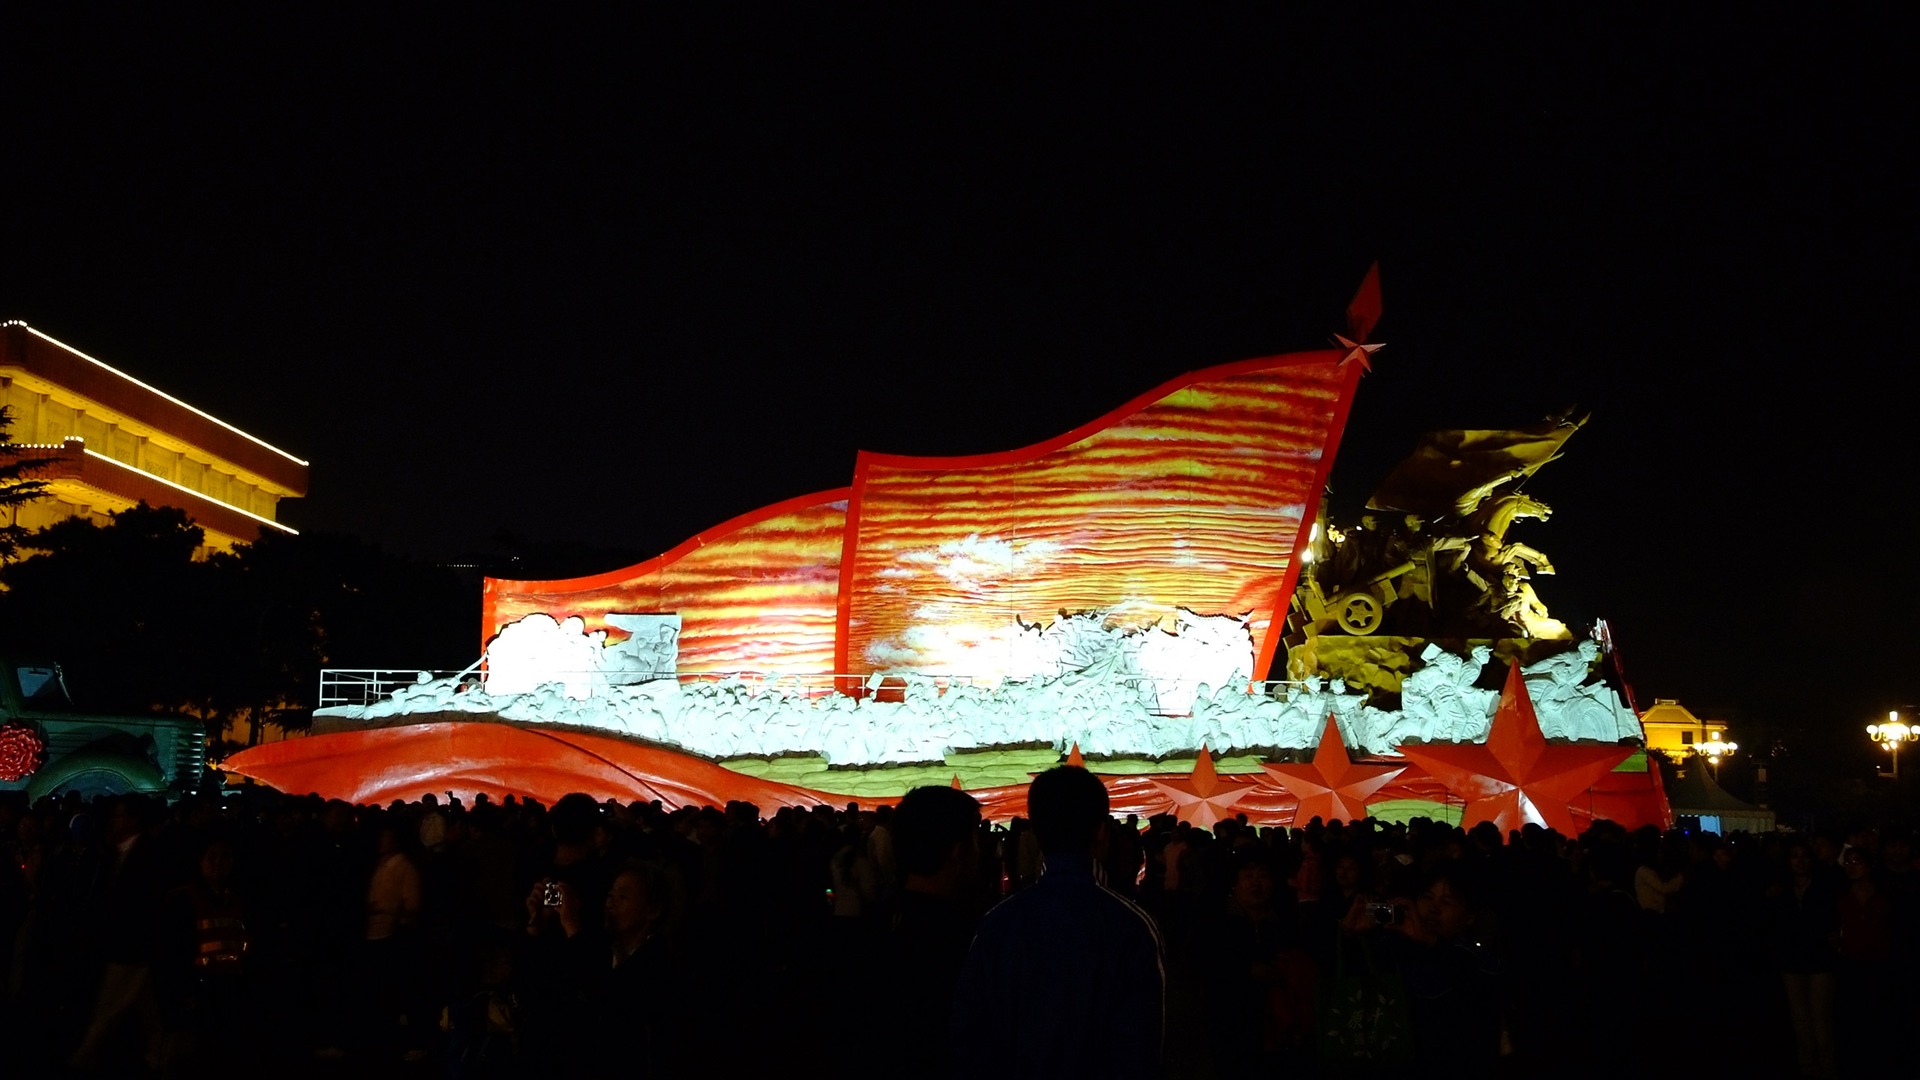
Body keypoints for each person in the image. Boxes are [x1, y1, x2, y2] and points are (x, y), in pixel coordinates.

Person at [952, 766, 1164, 1078]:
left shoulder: (996, 924)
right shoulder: (1131, 926)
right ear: (1102, 831)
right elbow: (1141, 1047)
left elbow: (971, 1037)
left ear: (1035, 832)